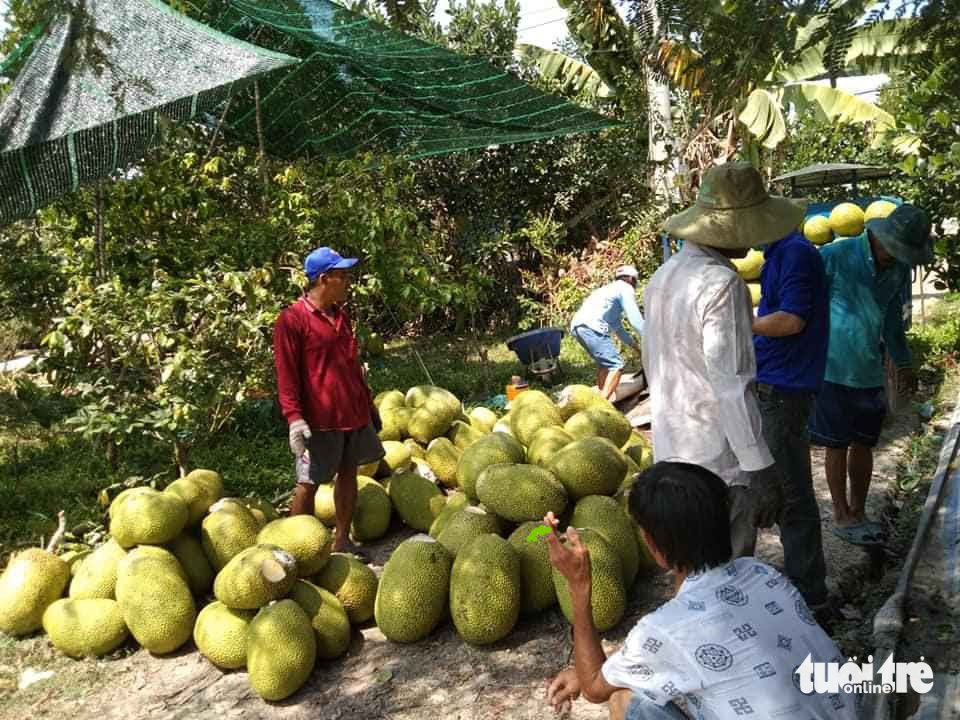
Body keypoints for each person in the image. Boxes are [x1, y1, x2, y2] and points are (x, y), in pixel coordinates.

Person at [544, 461, 857, 720]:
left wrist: (578, 585)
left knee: (624, 700)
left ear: (653, 546)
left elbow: (595, 689)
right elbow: (679, 632)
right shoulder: (762, 574)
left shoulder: (663, 630)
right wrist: (600, 670)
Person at [643, 162, 800, 557]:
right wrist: (760, 467)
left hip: (673, 452)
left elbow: (655, 367)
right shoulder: (723, 283)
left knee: (691, 571)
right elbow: (732, 384)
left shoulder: (663, 277)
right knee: (728, 575)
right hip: (719, 464)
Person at [810, 204, 931, 546]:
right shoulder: (835, 255)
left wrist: (904, 363)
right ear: (879, 236)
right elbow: (805, 303)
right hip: (832, 369)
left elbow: (893, 322)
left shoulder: (896, 270)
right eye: (894, 249)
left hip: (868, 371)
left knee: (864, 442)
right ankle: (841, 513)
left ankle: (859, 512)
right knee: (835, 444)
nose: (896, 257)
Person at [273, 246, 384, 552]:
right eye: (342, 276)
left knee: (349, 475)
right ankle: (294, 549)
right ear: (323, 279)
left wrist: (368, 402)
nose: (348, 281)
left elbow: (350, 364)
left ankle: (341, 540)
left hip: (352, 413)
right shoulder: (292, 320)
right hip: (319, 421)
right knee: (309, 483)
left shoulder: (341, 316)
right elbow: (286, 375)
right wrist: (294, 419)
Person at [752, 229, 832, 618]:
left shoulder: (795, 254)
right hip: (777, 383)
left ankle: (810, 598)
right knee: (779, 489)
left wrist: (741, 324)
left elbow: (790, 321)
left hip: (784, 389)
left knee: (791, 495)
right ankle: (806, 589)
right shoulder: (778, 254)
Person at [570, 265, 645, 401]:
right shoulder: (625, 288)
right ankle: (600, 406)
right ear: (631, 279)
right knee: (617, 365)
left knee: (604, 364)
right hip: (592, 326)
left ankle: (601, 396)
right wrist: (650, 338)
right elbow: (636, 321)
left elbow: (619, 330)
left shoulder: (608, 291)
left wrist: (638, 349)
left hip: (578, 327)